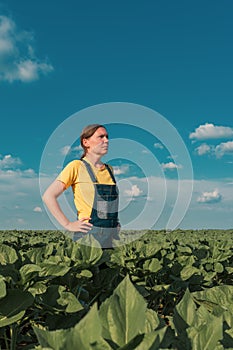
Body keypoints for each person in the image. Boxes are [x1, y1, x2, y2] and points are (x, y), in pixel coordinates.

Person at [42, 124, 120, 248]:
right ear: (86, 142)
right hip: (88, 236)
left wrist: (115, 223)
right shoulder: (76, 166)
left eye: (107, 137)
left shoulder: (110, 169)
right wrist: (68, 224)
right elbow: (48, 196)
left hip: (110, 236)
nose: (106, 140)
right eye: (101, 137)